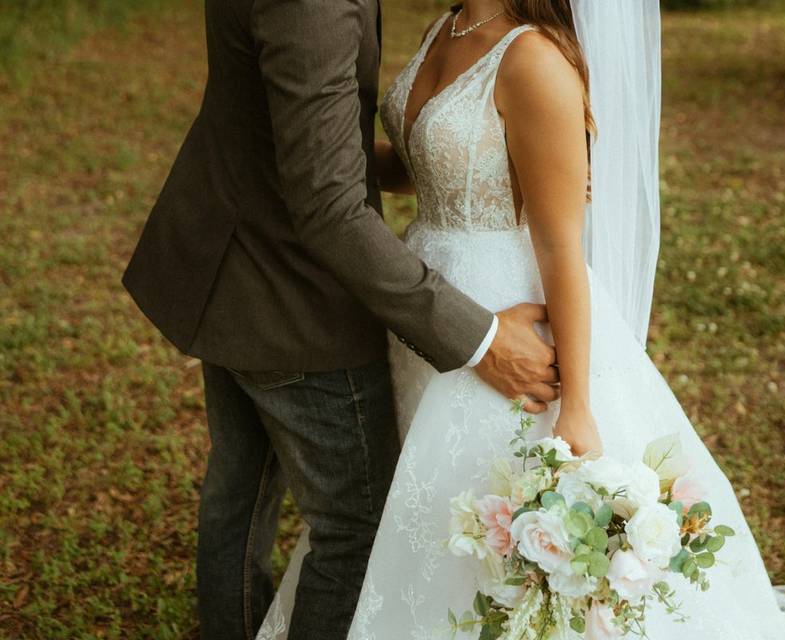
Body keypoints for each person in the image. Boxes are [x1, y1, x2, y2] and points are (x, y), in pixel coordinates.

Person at [255, 1, 785, 639]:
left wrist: (579, 410)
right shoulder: (451, 23)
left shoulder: (534, 59)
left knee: (488, 519)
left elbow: (563, 249)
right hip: (426, 305)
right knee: (416, 511)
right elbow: (431, 161)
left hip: (508, 317)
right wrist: (313, 163)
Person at [121, 0, 559, 638]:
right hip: (293, 295)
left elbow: (307, 134)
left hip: (235, 264)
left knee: (238, 497)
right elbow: (328, 204)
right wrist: (481, 339)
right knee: (358, 530)